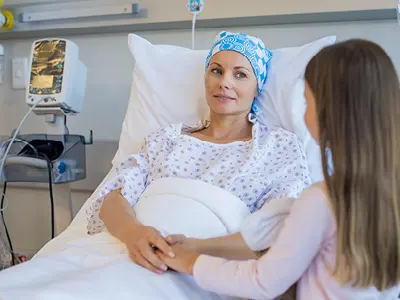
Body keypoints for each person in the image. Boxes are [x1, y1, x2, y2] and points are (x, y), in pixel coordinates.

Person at [157, 39, 400, 299]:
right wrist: (197, 246)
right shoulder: (389, 196)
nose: (225, 82)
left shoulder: (321, 199)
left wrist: (188, 261)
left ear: (330, 113)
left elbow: (261, 282)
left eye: (306, 102)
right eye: (216, 70)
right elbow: (269, 236)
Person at [86, 31, 311, 275]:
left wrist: (194, 250)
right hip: (125, 251)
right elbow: (114, 197)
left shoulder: (276, 147)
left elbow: (278, 229)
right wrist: (134, 234)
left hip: (207, 269)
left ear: (257, 87)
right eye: (216, 70)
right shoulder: (166, 140)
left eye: (240, 74)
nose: (225, 82)